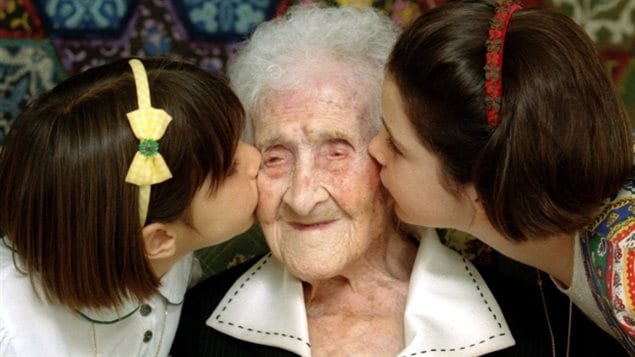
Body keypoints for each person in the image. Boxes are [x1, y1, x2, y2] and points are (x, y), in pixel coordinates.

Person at [171, 5, 516, 356]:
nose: (301, 198)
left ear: (390, 153)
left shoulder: (532, 322)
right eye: (275, 157)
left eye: (335, 152)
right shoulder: (193, 323)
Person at [367, 0, 634, 353]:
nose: (373, 148)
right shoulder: (513, 231)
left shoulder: (625, 266)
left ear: (485, 184)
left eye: (397, 146)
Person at [0, 57, 261, 356]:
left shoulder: (160, 256)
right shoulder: (13, 333)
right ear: (159, 240)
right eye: (230, 168)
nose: (256, 157)